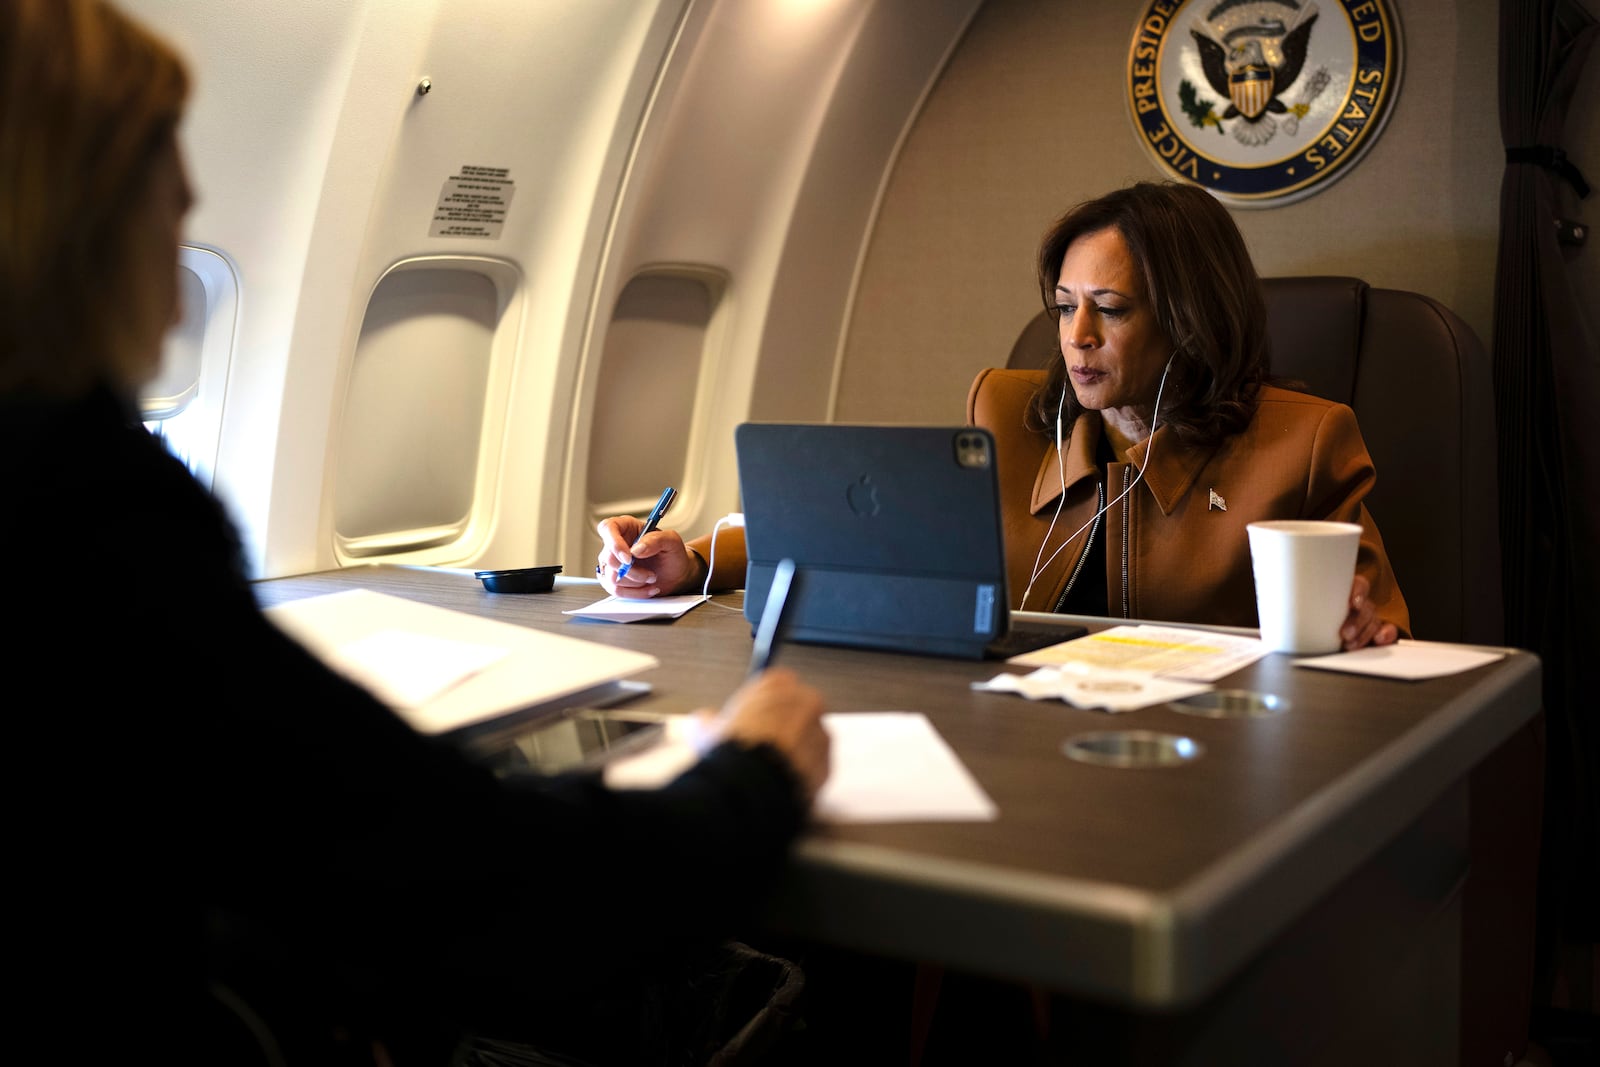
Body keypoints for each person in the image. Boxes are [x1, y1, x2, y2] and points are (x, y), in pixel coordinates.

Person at [0, 2, 828, 1063]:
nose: (192, 196)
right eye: (165, 157)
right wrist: (750, 774)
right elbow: (476, 880)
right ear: (82, 208)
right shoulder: (94, 520)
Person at [596, 181, 1409, 649]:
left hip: (1200, 759)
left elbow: (1377, 620)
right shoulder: (1010, 413)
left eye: (1111, 309)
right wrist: (692, 561)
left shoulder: (1302, 440)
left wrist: (1360, 625)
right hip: (1015, 737)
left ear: (1190, 318)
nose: (1076, 339)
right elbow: (875, 529)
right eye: (1063, 308)